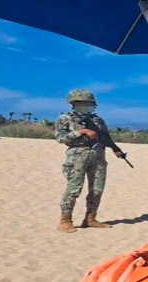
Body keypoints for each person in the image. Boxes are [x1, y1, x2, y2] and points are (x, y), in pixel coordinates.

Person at [55, 89, 122, 233]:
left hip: (98, 156)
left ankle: (90, 219)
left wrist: (115, 149)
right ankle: (65, 220)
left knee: (97, 190)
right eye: (86, 103)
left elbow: (106, 137)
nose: (89, 106)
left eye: (91, 103)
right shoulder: (65, 118)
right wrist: (81, 132)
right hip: (78, 156)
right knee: (74, 189)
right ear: (75, 103)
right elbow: (60, 138)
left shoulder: (98, 120)